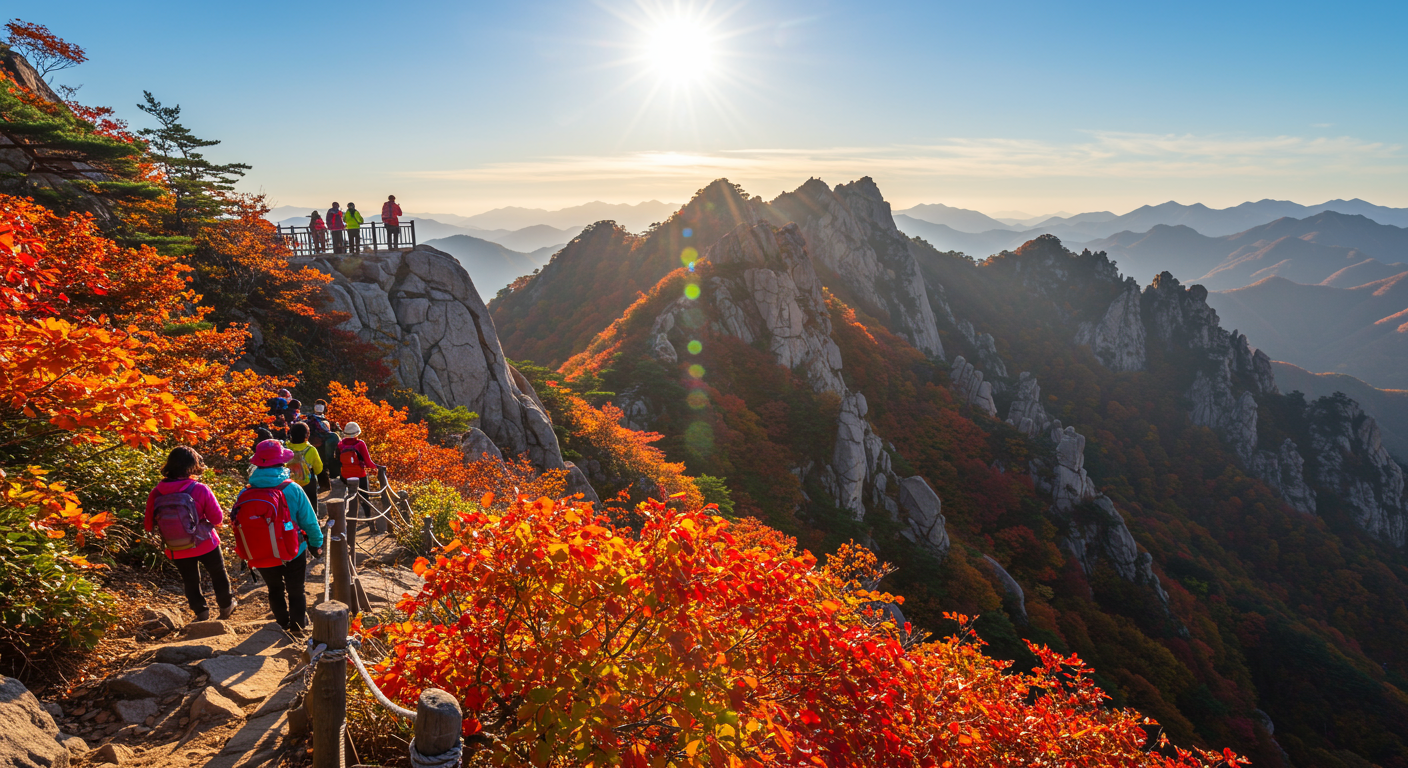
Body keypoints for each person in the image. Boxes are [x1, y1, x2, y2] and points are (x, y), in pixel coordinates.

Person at [240, 440, 325, 633]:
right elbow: (309, 521)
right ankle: (297, 628)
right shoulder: (292, 488)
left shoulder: (246, 491)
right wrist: (316, 543)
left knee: (274, 589)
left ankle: (281, 623)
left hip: (261, 551)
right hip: (293, 548)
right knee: (296, 590)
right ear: (281, 463)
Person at [144, 447, 237, 622]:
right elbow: (217, 518)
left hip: (176, 546)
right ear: (192, 466)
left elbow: (148, 525)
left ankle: (201, 613)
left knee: (190, 579)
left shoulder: (156, 492)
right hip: (205, 543)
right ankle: (226, 606)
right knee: (218, 573)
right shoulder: (199, 489)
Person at [336, 422, 379, 531]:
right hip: (360, 475)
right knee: (365, 498)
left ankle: (348, 523)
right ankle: (370, 523)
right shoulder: (360, 444)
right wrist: (376, 468)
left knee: (349, 497)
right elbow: (368, 462)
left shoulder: (340, 444)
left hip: (345, 475)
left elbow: (337, 459)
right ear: (357, 433)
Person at [286, 422, 324, 511]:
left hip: (289, 484)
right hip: (307, 484)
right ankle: (313, 522)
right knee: (311, 506)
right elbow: (318, 470)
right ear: (307, 435)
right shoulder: (311, 449)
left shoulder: (285, 448)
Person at [307, 399, 336, 490]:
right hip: (321, 443)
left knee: (320, 464)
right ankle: (324, 485)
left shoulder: (311, 419)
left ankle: (324, 485)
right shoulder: (314, 419)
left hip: (318, 443)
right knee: (321, 464)